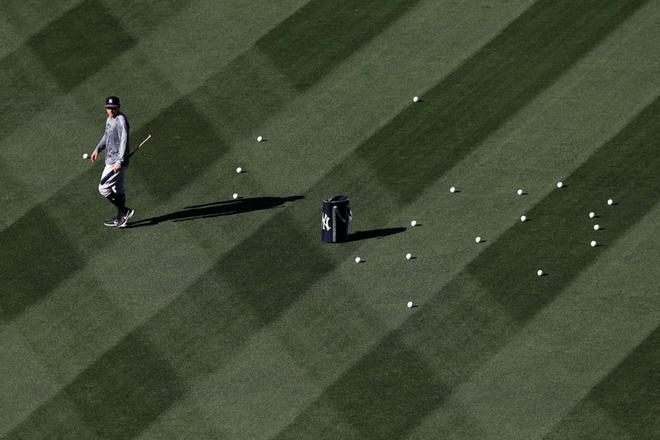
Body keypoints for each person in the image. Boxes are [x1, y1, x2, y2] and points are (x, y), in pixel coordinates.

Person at [90, 96, 134, 228]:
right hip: (112, 159)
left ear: (119, 107)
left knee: (103, 188)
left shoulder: (121, 121)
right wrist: (98, 148)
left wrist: (119, 162)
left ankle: (124, 211)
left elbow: (123, 142)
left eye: (113, 108)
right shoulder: (109, 119)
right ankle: (121, 218)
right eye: (108, 108)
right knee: (118, 188)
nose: (110, 111)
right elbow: (107, 135)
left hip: (116, 162)